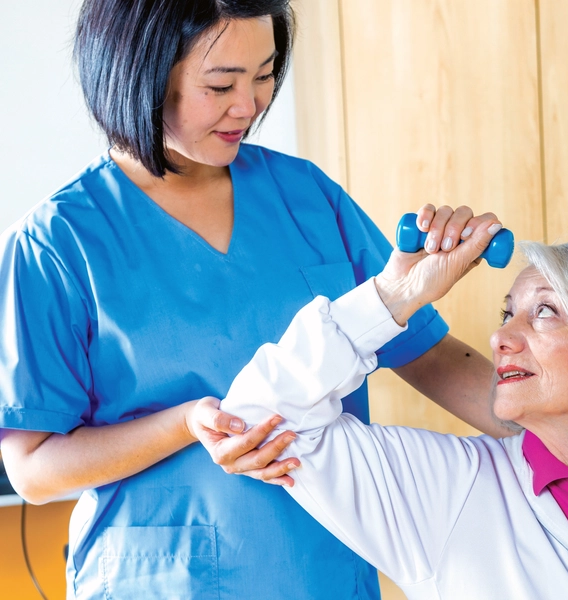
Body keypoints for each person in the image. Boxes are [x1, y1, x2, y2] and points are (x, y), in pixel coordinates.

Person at [0, 1, 509, 598]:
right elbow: (33, 467)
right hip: (158, 579)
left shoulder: (307, 198)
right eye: (221, 85)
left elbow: (427, 352)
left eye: (265, 75)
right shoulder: (60, 242)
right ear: (142, 72)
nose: (249, 105)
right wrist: (187, 425)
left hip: (320, 571)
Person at [212, 227, 568, 599]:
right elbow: (259, 413)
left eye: (545, 313)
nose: (501, 336)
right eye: (508, 313)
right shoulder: (443, 490)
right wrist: (395, 295)